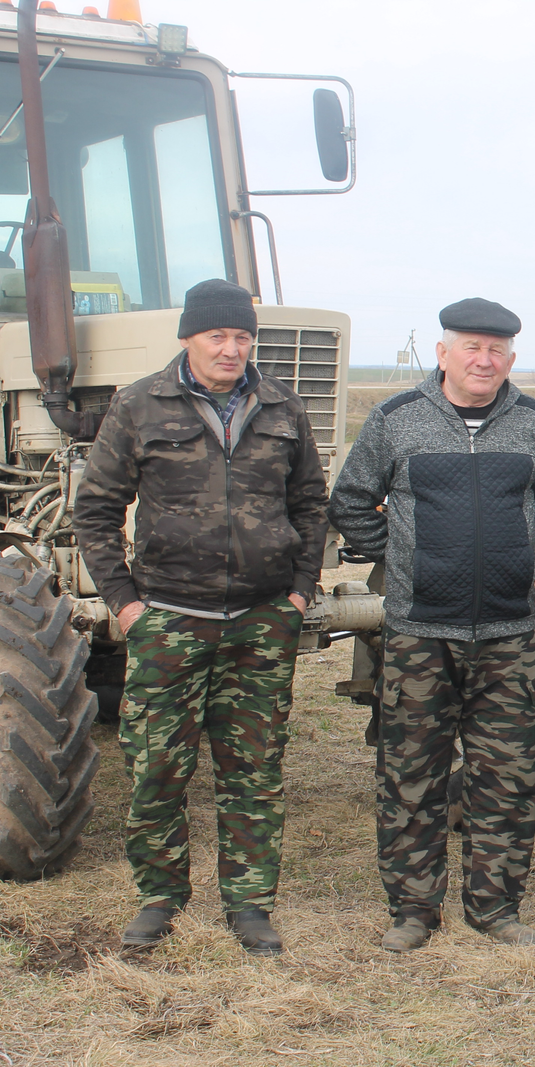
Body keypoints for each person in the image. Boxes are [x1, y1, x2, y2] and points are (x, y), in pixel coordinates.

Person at [75, 279, 327, 956]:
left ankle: (249, 905)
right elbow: (95, 510)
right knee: (158, 767)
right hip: (169, 622)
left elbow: (310, 504)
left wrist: (299, 593)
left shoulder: (281, 407)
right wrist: (127, 605)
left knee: (253, 769)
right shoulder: (139, 405)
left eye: (243, 337)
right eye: (218, 335)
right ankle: (160, 898)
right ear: (188, 337)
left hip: (259, 622)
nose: (232, 349)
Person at [328, 298, 535, 952]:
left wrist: (509, 557)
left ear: (511, 360)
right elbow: (350, 500)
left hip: (507, 638)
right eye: (470, 347)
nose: (483, 359)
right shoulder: (396, 421)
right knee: (411, 779)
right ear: (443, 353)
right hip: (419, 636)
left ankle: (496, 908)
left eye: (496, 350)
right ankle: (413, 910)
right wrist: (406, 556)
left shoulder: (533, 424)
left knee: (508, 781)